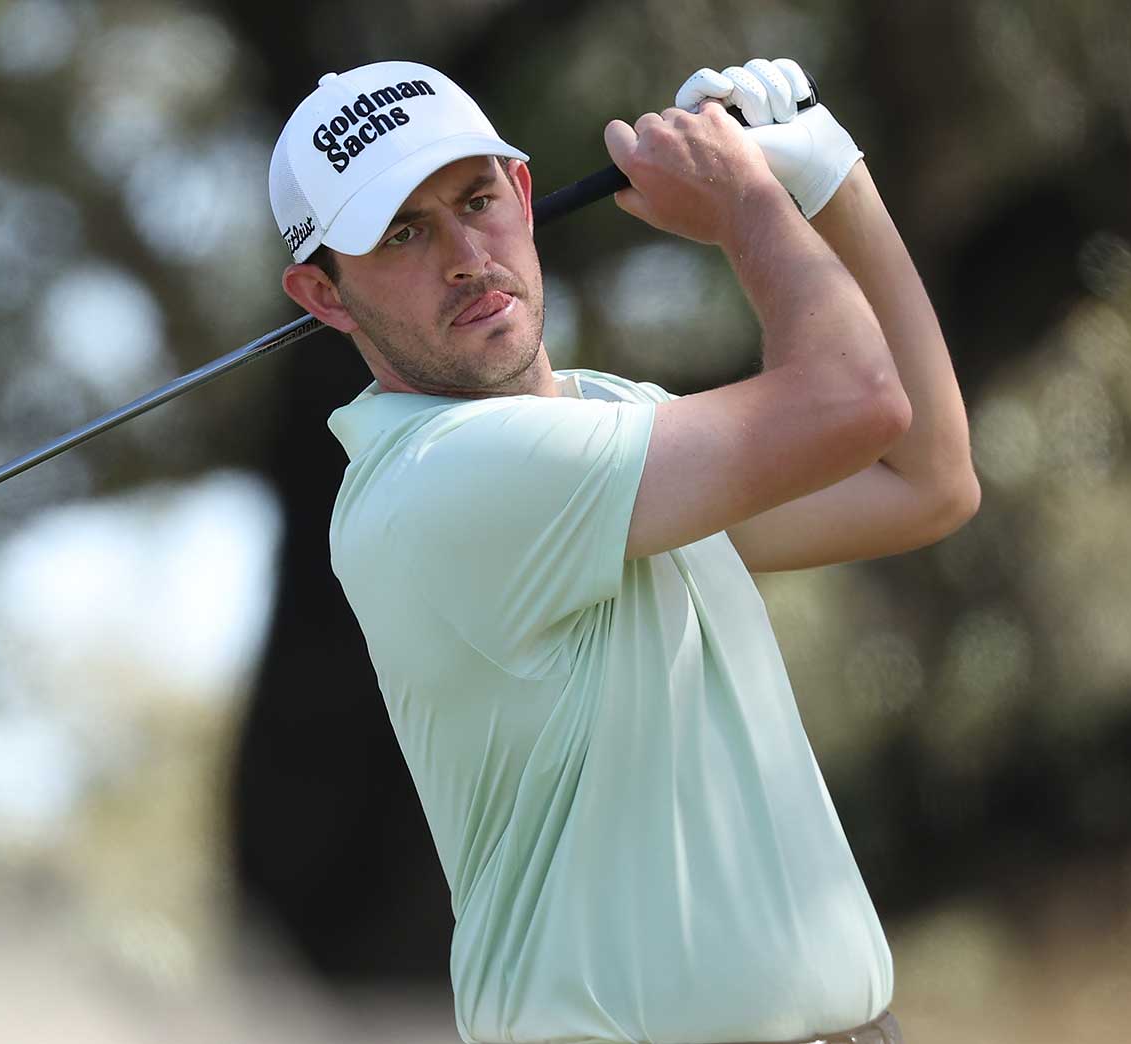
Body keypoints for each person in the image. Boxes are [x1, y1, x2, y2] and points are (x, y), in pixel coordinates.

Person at [269, 58, 978, 1044]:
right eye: (402, 233)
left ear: (520, 194)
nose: (466, 254)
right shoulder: (434, 480)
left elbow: (924, 480)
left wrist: (835, 188)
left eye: (475, 199)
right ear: (323, 294)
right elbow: (852, 401)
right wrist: (750, 206)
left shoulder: (616, 422)